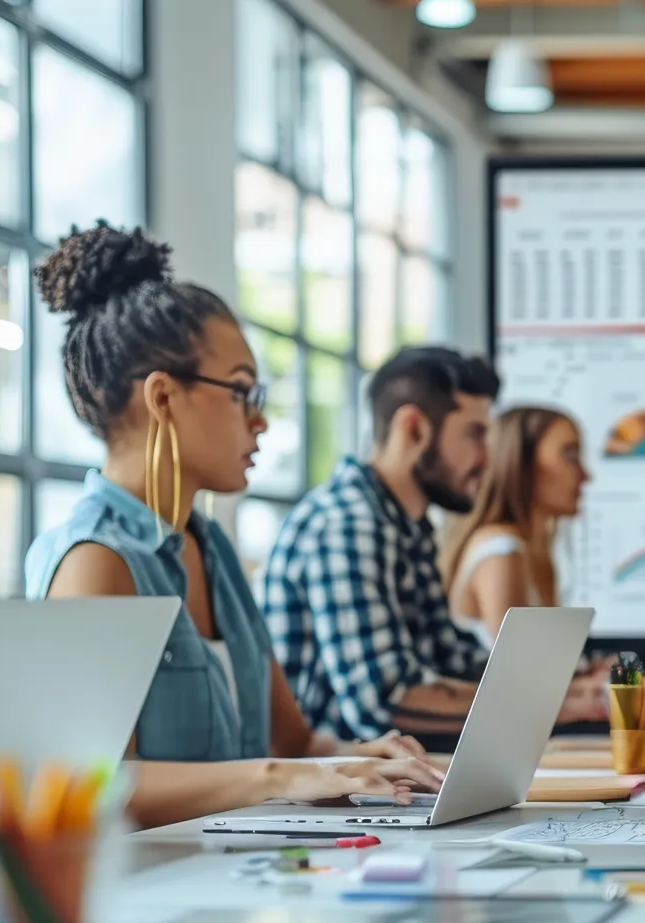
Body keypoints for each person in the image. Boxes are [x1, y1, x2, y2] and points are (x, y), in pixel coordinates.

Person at [25, 222, 440, 828]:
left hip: (240, 866)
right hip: (159, 880)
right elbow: (89, 782)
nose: (260, 421)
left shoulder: (212, 546)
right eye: (242, 392)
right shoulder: (95, 559)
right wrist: (276, 777)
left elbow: (296, 745)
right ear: (163, 399)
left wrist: (362, 759)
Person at [259, 350, 602, 745]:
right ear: (414, 430)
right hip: (341, 777)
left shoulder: (407, 528)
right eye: (475, 435)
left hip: (391, 770)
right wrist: (555, 705)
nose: (488, 458)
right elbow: (387, 700)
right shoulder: (347, 524)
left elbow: (452, 659)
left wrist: (574, 684)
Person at [440, 405, 589, 647]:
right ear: (521, 464)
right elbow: (523, 667)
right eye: (570, 456)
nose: (585, 475)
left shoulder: (533, 551)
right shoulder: (501, 551)